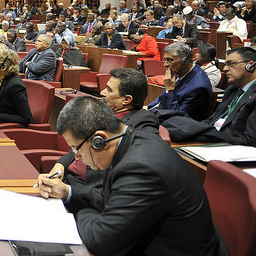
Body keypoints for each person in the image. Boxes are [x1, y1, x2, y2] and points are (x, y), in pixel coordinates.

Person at [37, 96, 225, 256]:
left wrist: (77, 214)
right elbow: (110, 197)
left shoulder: (141, 168)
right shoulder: (132, 140)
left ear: (99, 140)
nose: (76, 156)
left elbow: (101, 241)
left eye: (75, 148)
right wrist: (67, 192)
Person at [48, 68, 160, 187]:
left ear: (126, 99)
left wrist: (68, 191)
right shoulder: (103, 114)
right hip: (66, 178)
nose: (102, 92)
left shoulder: (143, 121)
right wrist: (60, 164)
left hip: (87, 188)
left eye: (109, 90)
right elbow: (81, 147)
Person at [162, 47, 256, 146]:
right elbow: (212, 119)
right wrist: (196, 130)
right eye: (225, 64)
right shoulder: (232, 90)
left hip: (228, 146)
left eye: (231, 64)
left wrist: (211, 135)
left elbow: (250, 141)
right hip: (211, 138)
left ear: (250, 65)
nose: (224, 69)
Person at [148, 42, 212, 120]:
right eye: (165, 59)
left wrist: (169, 90)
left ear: (184, 61)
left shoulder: (199, 87)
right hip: (159, 114)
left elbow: (177, 118)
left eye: (170, 60)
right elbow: (161, 99)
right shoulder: (178, 71)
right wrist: (148, 109)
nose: (165, 64)